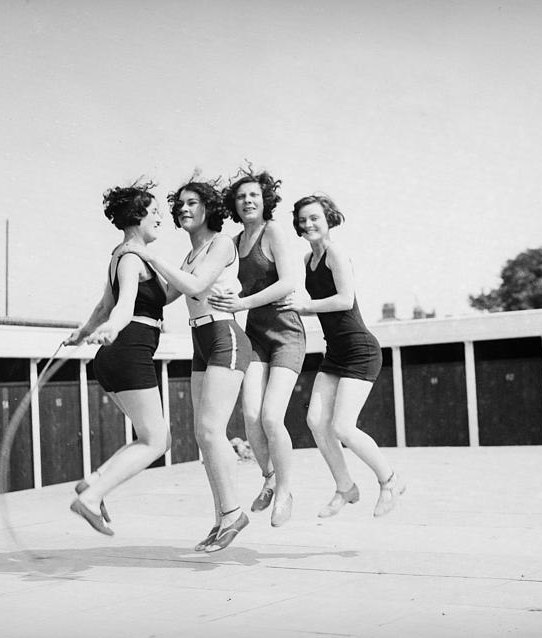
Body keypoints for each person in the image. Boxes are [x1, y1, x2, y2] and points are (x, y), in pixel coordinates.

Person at [122, 179, 252, 552]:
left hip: (225, 337)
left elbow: (196, 287)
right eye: (179, 204)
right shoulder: (188, 256)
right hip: (200, 340)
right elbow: (165, 294)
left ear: (209, 208)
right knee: (203, 434)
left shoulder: (221, 243)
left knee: (212, 429)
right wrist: (126, 268)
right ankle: (221, 517)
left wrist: (149, 257)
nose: (183, 209)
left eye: (192, 202)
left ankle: (233, 515)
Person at [278, 194, 405, 518]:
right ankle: (345, 487)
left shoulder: (336, 253)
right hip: (335, 352)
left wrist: (305, 306)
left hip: (360, 351)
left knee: (344, 427)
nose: (308, 224)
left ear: (328, 218)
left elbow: (345, 299)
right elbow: (319, 306)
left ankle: (390, 480)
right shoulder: (308, 261)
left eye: (314, 218)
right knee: (316, 421)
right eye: (303, 220)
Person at [65, 180, 170, 537]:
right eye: (154, 211)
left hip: (117, 354)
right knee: (157, 441)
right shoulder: (130, 258)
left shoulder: (120, 255)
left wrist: (82, 333)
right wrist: (111, 329)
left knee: (147, 436)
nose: (160, 217)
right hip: (128, 349)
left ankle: (93, 483)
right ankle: (92, 497)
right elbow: (122, 307)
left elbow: (102, 306)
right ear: (137, 216)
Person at [208, 169, 305, 527]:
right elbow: (226, 284)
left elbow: (288, 282)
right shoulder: (233, 242)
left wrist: (243, 303)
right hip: (257, 337)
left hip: (287, 335)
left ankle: (285, 492)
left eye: (254, 195)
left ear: (265, 201)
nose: (248, 201)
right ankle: (269, 476)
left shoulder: (273, 231)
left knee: (270, 416)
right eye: (241, 197)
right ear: (234, 205)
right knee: (250, 416)